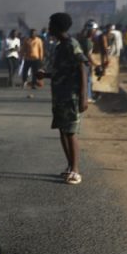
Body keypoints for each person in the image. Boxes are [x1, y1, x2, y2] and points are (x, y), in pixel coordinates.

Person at [38, 12, 88, 185]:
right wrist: (46, 75)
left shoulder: (71, 44)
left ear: (58, 27)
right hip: (59, 95)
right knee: (62, 130)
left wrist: (84, 96)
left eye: (51, 24)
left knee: (71, 131)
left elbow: (82, 68)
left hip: (71, 96)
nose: (49, 27)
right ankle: (69, 166)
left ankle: (76, 170)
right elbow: (62, 71)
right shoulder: (59, 46)